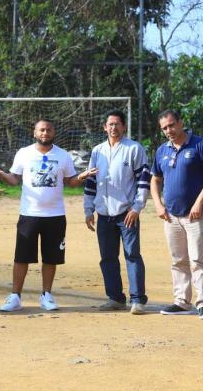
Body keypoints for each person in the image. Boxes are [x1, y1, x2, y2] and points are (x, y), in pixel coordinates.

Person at [0, 119, 96, 312]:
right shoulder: (24, 153)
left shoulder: (63, 156)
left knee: (51, 257)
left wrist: (81, 177)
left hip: (55, 216)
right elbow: (14, 180)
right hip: (29, 214)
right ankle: (15, 296)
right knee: (21, 257)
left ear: (53, 132)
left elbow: (70, 182)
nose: (45, 133)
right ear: (34, 132)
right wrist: (0, 173)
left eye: (48, 130)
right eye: (41, 130)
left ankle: (46, 295)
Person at [83, 109, 151, 315]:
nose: (113, 127)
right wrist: (88, 209)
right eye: (110, 124)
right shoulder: (97, 151)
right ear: (105, 127)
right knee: (107, 257)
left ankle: (137, 299)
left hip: (126, 213)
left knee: (132, 255)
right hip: (104, 214)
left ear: (123, 126)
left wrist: (137, 208)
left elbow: (143, 180)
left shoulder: (134, 149)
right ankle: (115, 297)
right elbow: (91, 181)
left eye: (117, 124)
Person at [151, 109, 203, 319]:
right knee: (178, 260)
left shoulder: (198, 144)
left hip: (196, 216)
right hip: (171, 216)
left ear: (181, 123)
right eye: (164, 128)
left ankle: (201, 303)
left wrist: (199, 203)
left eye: (172, 125)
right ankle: (182, 302)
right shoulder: (162, 150)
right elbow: (155, 179)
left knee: (198, 260)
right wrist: (158, 204)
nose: (169, 130)